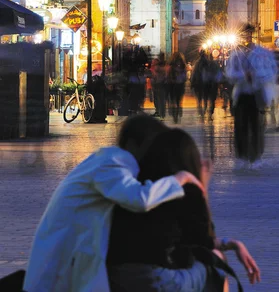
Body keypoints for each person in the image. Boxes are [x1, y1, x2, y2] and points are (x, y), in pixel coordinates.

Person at [23, 115, 203, 292]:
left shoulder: (107, 160)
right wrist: (179, 179)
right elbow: (139, 198)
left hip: (72, 253)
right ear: (133, 144)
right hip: (64, 257)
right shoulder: (113, 162)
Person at [107, 128, 261, 291]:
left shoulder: (138, 188)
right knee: (216, 261)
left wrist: (233, 244)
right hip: (155, 281)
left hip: (116, 277)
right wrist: (203, 188)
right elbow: (205, 243)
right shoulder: (185, 189)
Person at [226, 23, 277, 165]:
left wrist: (256, 75)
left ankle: (256, 157)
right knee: (240, 126)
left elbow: (271, 72)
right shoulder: (235, 54)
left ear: (252, 35)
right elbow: (229, 74)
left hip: (257, 93)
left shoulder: (262, 53)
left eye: (249, 34)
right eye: (244, 34)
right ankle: (241, 156)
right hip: (241, 93)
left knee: (256, 126)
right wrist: (243, 76)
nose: (247, 37)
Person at [168, 52, 187, 123]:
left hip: (173, 85)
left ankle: (175, 113)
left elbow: (169, 76)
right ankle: (177, 111)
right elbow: (185, 77)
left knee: (174, 100)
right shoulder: (183, 66)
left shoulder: (171, 67)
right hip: (179, 85)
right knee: (178, 100)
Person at [191, 51, 209, 117]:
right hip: (206, 83)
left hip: (198, 82)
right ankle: (204, 110)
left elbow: (194, 73)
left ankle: (200, 111)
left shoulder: (197, 63)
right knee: (205, 97)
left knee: (199, 98)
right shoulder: (208, 62)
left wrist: (192, 83)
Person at [151, 52, 167, 119]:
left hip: (158, 84)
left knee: (158, 100)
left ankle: (160, 112)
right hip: (161, 84)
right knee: (161, 100)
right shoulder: (165, 66)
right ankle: (161, 113)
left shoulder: (157, 66)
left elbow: (155, 75)